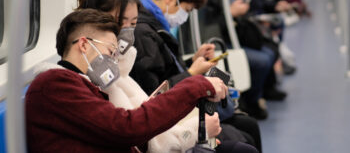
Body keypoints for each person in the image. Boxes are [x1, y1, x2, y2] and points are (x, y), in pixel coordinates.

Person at [76, 0, 259, 153]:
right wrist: (192, 78)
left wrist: (192, 64)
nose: (128, 32)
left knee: (244, 134)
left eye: (133, 23)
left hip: (171, 129)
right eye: (121, 22)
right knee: (244, 140)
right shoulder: (114, 65)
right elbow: (151, 110)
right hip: (170, 130)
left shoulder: (122, 71)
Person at [25, 9, 228, 153]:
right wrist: (196, 85)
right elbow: (127, 128)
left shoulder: (85, 86)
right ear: (84, 45)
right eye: (110, 52)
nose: (113, 61)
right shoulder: (54, 84)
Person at [131, 0, 262, 151]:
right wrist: (192, 73)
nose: (184, 16)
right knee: (246, 137)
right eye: (186, 9)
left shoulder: (156, 27)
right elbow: (154, 92)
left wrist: (193, 61)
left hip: (182, 107)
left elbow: (166, 69)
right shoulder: (144, 34)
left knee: (247, 127)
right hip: (172, 120)